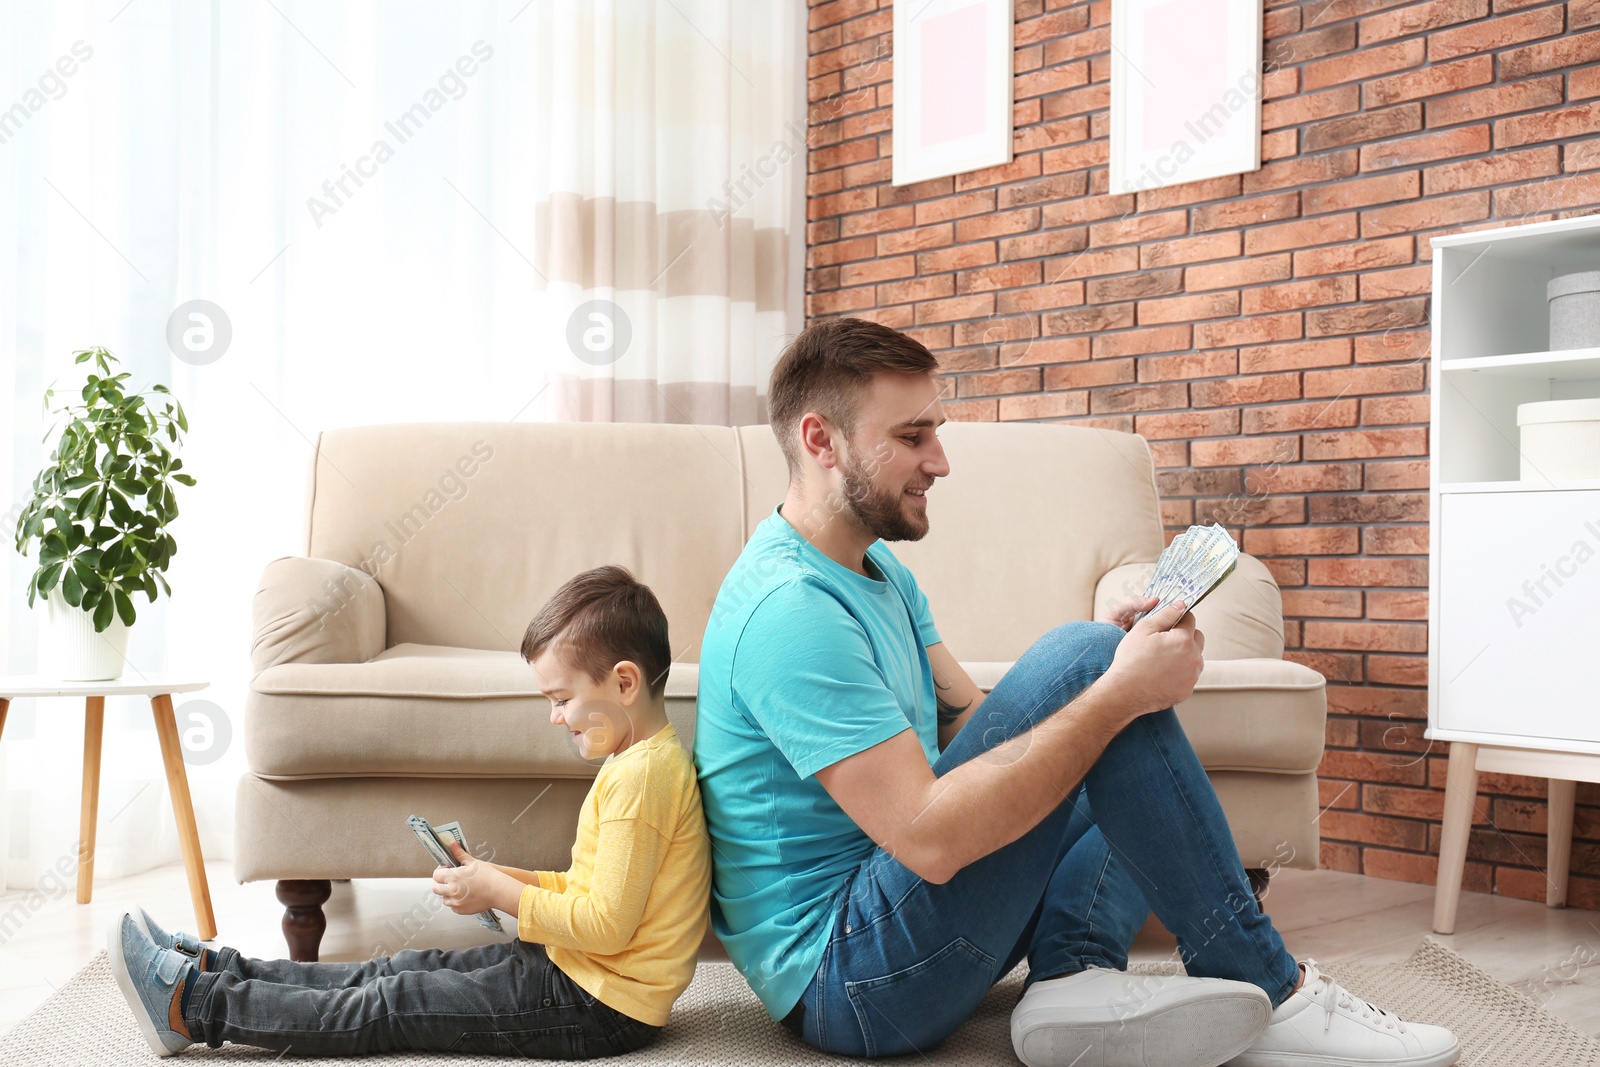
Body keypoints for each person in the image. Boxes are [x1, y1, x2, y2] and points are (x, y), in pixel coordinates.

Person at [692, 317, 1459, 1067]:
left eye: (938, 431)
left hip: (897, 925)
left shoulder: (879, 572)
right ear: (820, 440)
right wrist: (1108, 686)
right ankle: (1273, 989)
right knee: (1097, 680)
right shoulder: (790, 609)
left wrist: (1114, 681)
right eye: (911, 436)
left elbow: (970, 727)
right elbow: (929, 838)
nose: (941, 461)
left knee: (1132, 752)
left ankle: (1071, 977)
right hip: (855, 983)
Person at [109, 565, 711, 1059]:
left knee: (394, 1002)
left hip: (597, 1007)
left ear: (625, 682)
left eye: (561, 699)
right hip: (573, 975)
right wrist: (497, 879)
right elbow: (591, 892)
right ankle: (219, 968)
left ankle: (191, 1006)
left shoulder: (641, 781)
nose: (554, 717)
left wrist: (499, 894)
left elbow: (607, 926)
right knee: (401, 968)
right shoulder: (637, 762)